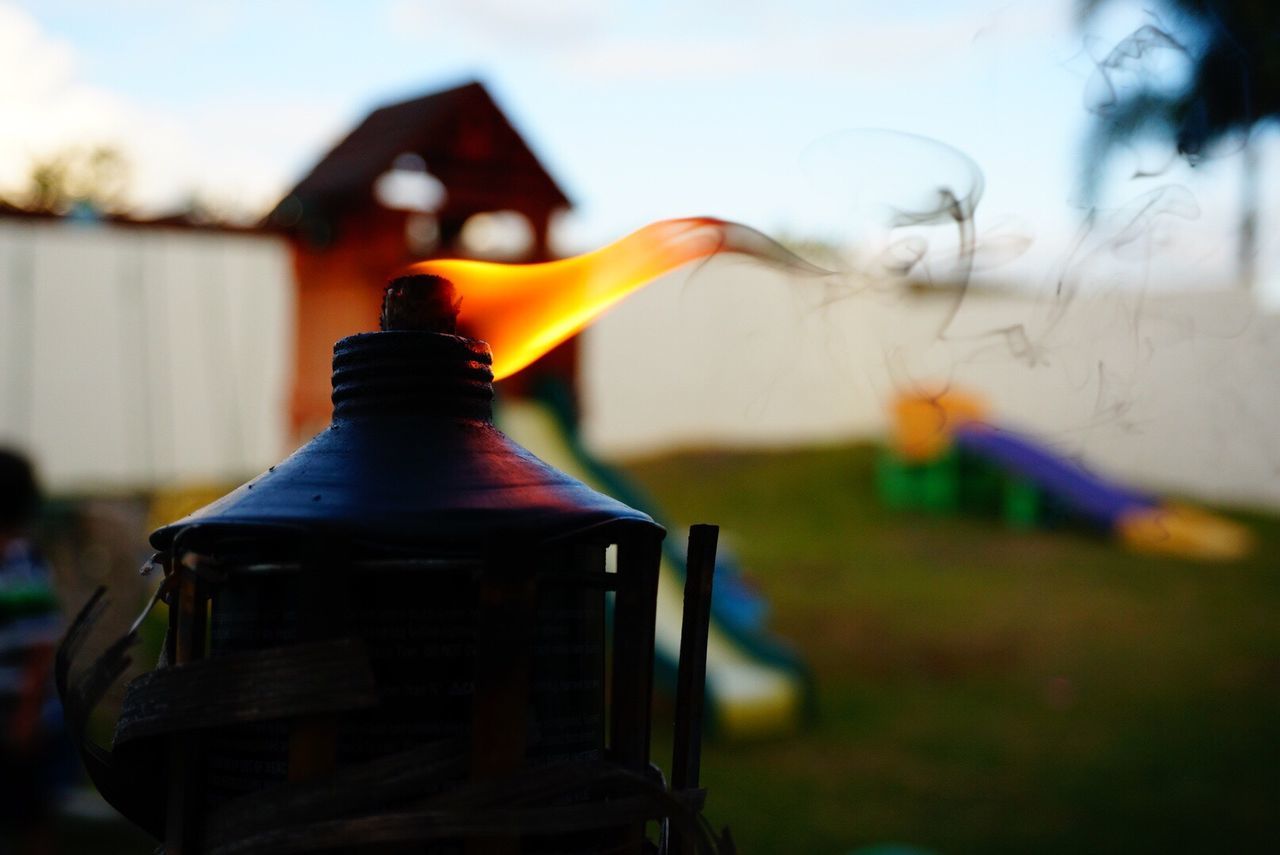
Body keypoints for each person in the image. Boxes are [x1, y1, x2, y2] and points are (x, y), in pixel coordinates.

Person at [0, 449, 66, 854]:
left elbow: (39, 647)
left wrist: (25, 718)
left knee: (28, 817)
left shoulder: (21, 562)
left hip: (20, 720)